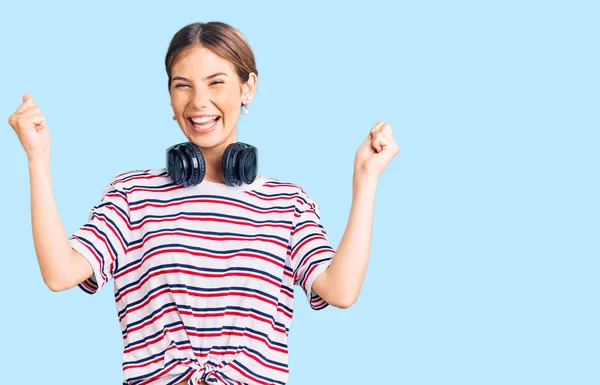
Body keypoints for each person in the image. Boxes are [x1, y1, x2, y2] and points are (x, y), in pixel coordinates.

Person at [8, 21, 399, 385]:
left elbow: (341, 290)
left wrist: (365, 180)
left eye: (216, 83)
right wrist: (37, 157)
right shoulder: (132, 195)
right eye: (183, 85)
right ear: (169, 95)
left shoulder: (287, 204)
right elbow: (61, 274)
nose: (199, 102)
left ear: (248, 88)